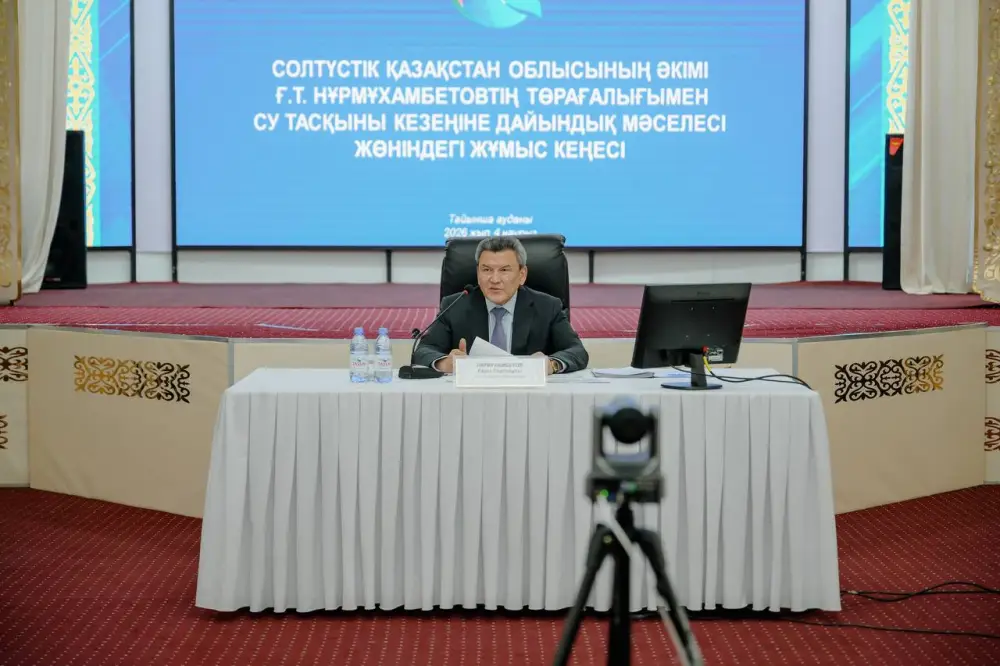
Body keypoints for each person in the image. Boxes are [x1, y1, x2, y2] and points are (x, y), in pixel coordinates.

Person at [412, 236, 589, 374]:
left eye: (504, 270)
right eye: (486, 270)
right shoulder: (455, 305)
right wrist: (446, 363)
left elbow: (577, 351)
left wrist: (551, 365)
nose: (494, 279)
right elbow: (423, 351)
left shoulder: (548, 307)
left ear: (522, 275)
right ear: (478, 273)